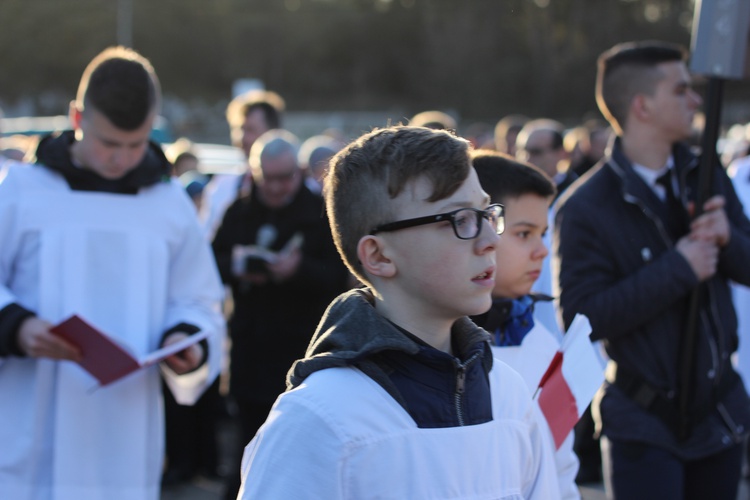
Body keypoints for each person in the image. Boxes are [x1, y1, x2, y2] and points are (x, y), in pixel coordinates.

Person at [236, 125, 559, 499]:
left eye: (487, 213)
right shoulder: (320, 419)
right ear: (379, 255)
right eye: (459, 220)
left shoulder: (507, 393)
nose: (490, 241)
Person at [0, 46, 225, 499]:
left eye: (136, 144)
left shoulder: (168, 204)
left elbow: (199, 300)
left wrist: (187, 341)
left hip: (125, 427)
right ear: (77, 118)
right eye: (108, 143)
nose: (120, 159)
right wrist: (16, 327)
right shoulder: (22, 191)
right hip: (33, 416)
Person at [554, 40, 750, 499]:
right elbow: (584, 317)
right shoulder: (585, 207)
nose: (696, 100)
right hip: (643, 425)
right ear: (642, 106)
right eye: (681, 90)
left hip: (719, 415)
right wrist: (679, 267)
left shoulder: (706, 174)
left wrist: (728, 237)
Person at [211, 128, 350, 499]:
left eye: (285, 178)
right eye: (268, 179)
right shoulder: (238, 211)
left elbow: (342, 277)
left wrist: (298, 270)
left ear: (299, 173)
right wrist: (238, 265)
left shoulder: (320, 212)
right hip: (250, 347)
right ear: (254, 173)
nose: (276, 188)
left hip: (301, 348)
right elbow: (209, 264)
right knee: (247, 442)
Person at [471, 150, 580, 499]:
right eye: (523, 234)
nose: (542, 251)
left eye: (543, 233)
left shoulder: (543, 344)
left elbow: (562, 466)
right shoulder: (435, 343)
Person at [200, 89, 285, 239]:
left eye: (251, 130)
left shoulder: (293, 187)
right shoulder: (221, 185)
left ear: (273, 132)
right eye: (239, 129)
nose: (243, 138)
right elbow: (206, 240)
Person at [516, 118, 577, 201]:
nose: (527, 158)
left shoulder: (576, 191)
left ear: (561, 153)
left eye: (536, 152)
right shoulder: (513, 191)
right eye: (523, 151)